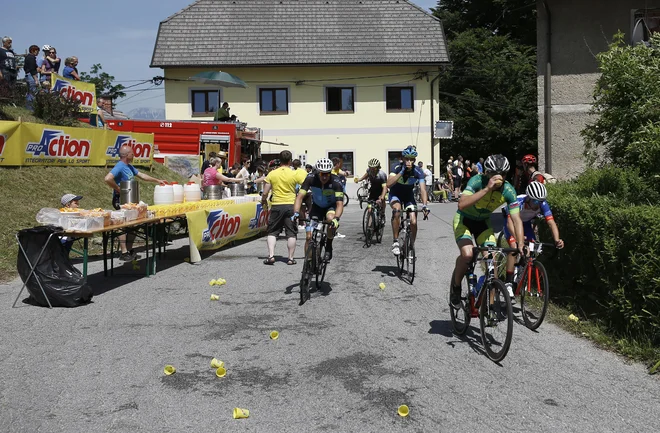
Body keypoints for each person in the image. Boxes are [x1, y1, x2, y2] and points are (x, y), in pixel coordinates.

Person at [449, 154, 525, 307]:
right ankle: (456, 287)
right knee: (468, 255)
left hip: (483, 223)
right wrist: (486, 189)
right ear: (486, 173)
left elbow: (516, 219)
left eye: (503, 174)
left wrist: (521, 243)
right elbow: (461, 204)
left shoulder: (508, 190)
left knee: (492, 261)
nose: (499, 178)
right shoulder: (477, 181)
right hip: (464, 220)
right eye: (494, 174)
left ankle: (489, 310)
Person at [501, 181, 564, 298]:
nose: (538, 204)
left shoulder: (542, 204)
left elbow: (551, 222)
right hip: (511, 222)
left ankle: (520, 272)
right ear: (529, 198)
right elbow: (510, 223)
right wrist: (517, 239)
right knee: (514, 248)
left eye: (540, 202)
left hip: (525, 224)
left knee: (531, 248)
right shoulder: (518, 201)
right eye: (535, 201)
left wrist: (557, 240)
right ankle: (508, 282)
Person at [104, 145, 166, 261]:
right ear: (127, 155)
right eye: (132, 154)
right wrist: (118, 189)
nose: (134, 155)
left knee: (135, 223)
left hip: (131, 200)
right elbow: (108, 178)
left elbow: (142, 175)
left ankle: (129, 249)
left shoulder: (129, 167)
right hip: (121, 200)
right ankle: (123, 252)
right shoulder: (120, 166)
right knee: (122, 224)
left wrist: (157, 180)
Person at [292, 158, 344, 262]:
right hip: (316, 207)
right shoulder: (310, 178)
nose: (324, 177)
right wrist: (296, 213)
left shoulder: (336, 182)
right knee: (309, 237)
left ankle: (329, 245)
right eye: (322, 174)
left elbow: (339, 204)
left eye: (327, 174)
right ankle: (308, 263)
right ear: (317, 172)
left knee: (330, 219)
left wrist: (336, 219)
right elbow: (299, 197)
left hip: (330, 206)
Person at [261, 150, 308, 265]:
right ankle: (291, 258)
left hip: (276, 205)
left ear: (279, 160)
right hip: (291, 205)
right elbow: (306, 183)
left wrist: (264, 201)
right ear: (290, 161)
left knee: (272, 231)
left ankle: (271, 255)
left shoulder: (272, 173)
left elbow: (265, 192)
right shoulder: (294, 173)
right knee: (291, 232)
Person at [387, 146, 428, 256]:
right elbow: (388, 184)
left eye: (411, 159)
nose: (409, 161)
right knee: (397, 211)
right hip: (395, 194)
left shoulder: (418, 171)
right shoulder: (396, 167)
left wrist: (425, 205)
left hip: (408, 196)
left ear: (414, 160)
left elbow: (423, 189)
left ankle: (410, 245)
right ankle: (395, 242)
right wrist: (402, 172)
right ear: (403, 159)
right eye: (406, 159)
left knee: (413, 221)